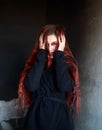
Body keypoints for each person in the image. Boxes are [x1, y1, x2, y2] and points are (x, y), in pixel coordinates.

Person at [18, 24, 81, 130]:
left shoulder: (68, 64)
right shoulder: (36, 63)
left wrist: (59, 55)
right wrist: (41, 53)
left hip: (60, 119)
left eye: (54, 44)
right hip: (36, 117)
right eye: (47, 44)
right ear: (41, 44)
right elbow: (31, 86)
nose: (51, 48)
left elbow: (64, 87)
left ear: (62, 45)